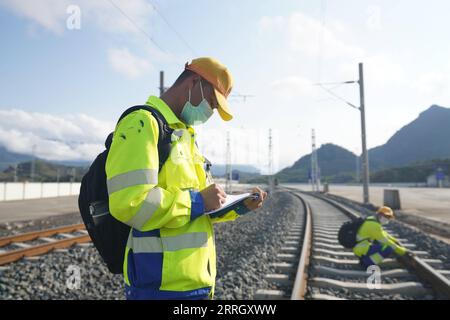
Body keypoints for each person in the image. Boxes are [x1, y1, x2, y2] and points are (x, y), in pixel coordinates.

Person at [105, 57, 267, 300]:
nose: (210, 112)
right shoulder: (142, 124)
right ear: (193, 83)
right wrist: (197, 202)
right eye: (211, 103)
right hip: (159, 288)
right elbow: (130, 203)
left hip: (196, 284)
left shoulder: (185, 137)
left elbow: (203, 208)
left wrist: (239, 205)